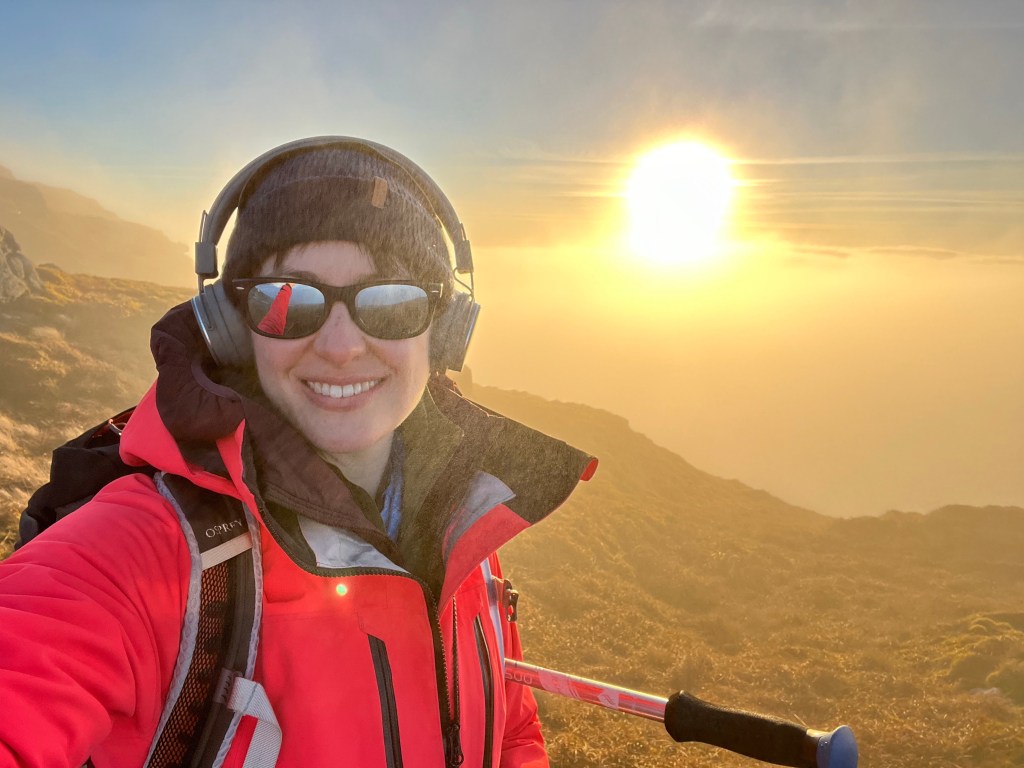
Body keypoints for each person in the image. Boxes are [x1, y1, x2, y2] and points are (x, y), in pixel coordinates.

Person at [0, 137, 596, 767]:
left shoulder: (462, 517)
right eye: (289, 299)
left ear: (445, 330)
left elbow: (509, 729)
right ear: (233, 330)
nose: (340, 347)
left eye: (391, 302)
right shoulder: (150, 550)